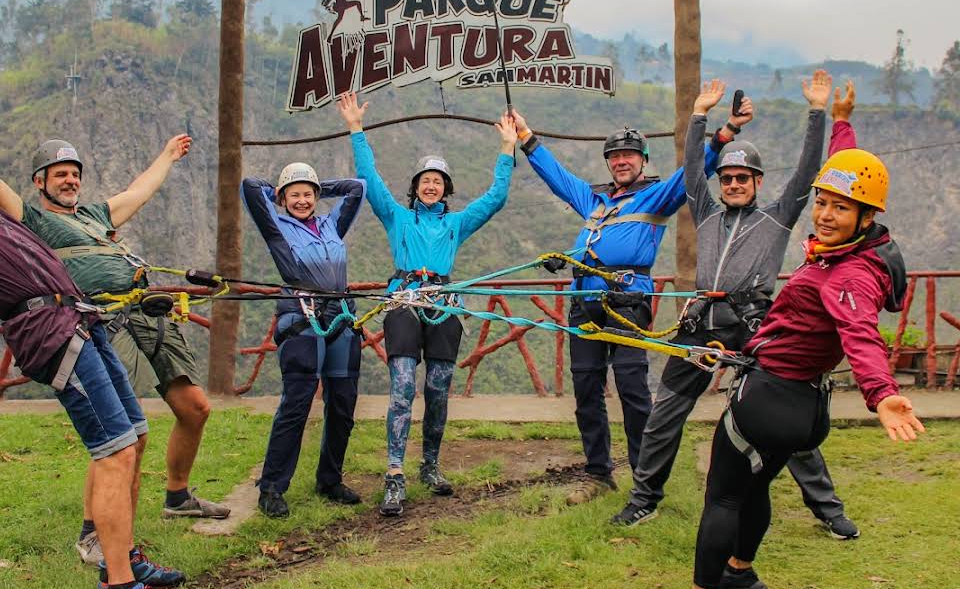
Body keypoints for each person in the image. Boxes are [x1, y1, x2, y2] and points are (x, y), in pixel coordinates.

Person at [655, 134, 924, 589]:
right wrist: (840, 126)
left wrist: (881, 392)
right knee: (756, 486)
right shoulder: (851, 255)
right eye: (821, 202)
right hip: (803, 403)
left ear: (866, 218)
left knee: (722, 498)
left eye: (839, 208)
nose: (823, 214)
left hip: (770, 397)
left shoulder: (849, 276)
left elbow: (860, 333)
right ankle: (739, 572)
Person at [611, 73, 859, 539]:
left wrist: (816, 112)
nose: (734, 184)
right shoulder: (705, 211)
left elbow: (807, 173)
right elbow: (689, 170)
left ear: (758, 181)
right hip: (703, 319)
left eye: (742, 178)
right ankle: (644, 499)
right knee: (667, 411)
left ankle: (827, 508)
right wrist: (699, 115)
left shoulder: (777, 216)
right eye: (727, 178)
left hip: (754, 323)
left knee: (781, 415)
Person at [0, 137, 228, 567]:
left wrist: (166, 156)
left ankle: (176, 497)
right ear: (39, 182)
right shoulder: (31, 220)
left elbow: (139, 192)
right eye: (60, 174)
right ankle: (98, 534)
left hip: (144, 309)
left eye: (75, 174)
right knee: (121, 433)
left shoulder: (96, 216)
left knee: (194, 407)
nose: (70, 180)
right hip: (100, 320)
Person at [511, 103, 746, 502]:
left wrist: (726, 133)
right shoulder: (594, 200)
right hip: (584, 299)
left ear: (642, 160)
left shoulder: (655, 197)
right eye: (615, 156)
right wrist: (527, 139)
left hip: (627, 299)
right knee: (586, 390)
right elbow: (559, 179)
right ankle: (598, 474)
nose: (621, 162)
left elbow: (693, 173)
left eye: (628, 155)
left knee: (633, 389)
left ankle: (645, 476)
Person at [0, 210, 186, 589]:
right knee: (114, 452)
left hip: (80, 318)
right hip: (51, 330)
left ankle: (126, 558)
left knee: (135, 437)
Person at [337, 91, 517, 517]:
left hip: (444, 303)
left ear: (446, 189)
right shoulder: (397, 216)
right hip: (403, 299)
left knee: (437, 388)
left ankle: (430, 466)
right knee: (402, 387)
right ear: (416, 187)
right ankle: (395, 475)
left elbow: (495, 200)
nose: (431, 186)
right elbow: (370, 179)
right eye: (425, 180)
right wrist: (356, 130)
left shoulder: (456, 223)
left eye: (438, 181)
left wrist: (507, 149)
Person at [241, 162, 366, 518]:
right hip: (301, 314)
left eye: (307, 195)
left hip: (340, 313)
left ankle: (330, 479)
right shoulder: (276, 226)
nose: (302, 200)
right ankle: (272, 487)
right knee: (297, 403)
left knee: (342, 403)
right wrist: (285, 190)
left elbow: (357, 188)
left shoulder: (332, 224)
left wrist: (313, 183)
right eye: (293, 195)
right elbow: (251, 187)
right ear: (281, 199)